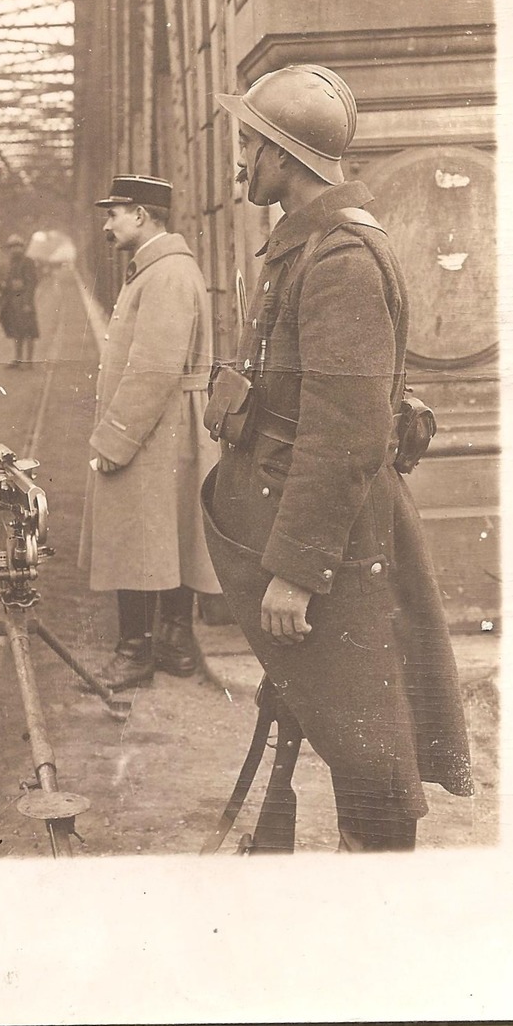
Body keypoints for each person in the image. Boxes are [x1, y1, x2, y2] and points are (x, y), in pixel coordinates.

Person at [202, 66, 473, 850]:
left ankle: (381, 899)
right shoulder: (312, 246)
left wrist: (294, 569)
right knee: (351, 725)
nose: (240, 161)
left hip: (339, 548)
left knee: (371, 748)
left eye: (250, 144)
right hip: (329, 533)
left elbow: (343, 434)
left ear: (286, 155)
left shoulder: (340, 260)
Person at [79, 175, 222, 689]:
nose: (107, 224)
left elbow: (155, 369)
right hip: (170, 425)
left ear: (140, 215)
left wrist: (114, 440)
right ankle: (175, 644)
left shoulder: (165, 275)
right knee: (172, 533)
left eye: (113, 213)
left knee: (137, 536)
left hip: (156, 426)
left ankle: (135, 651)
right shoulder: (164, 270)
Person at [0, 234, 39, 368]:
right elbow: (8, 281)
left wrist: (27, 303)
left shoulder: (28, 262)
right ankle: (18, 359)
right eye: (12, 247)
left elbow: (32, 283)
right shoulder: (11, 263)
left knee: (29, 331)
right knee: (16, 331)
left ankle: (29, 361)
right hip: (12, 301)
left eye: (17, 246)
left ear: (22, 248)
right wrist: (2, 287)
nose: (14, 250)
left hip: (24, 301)